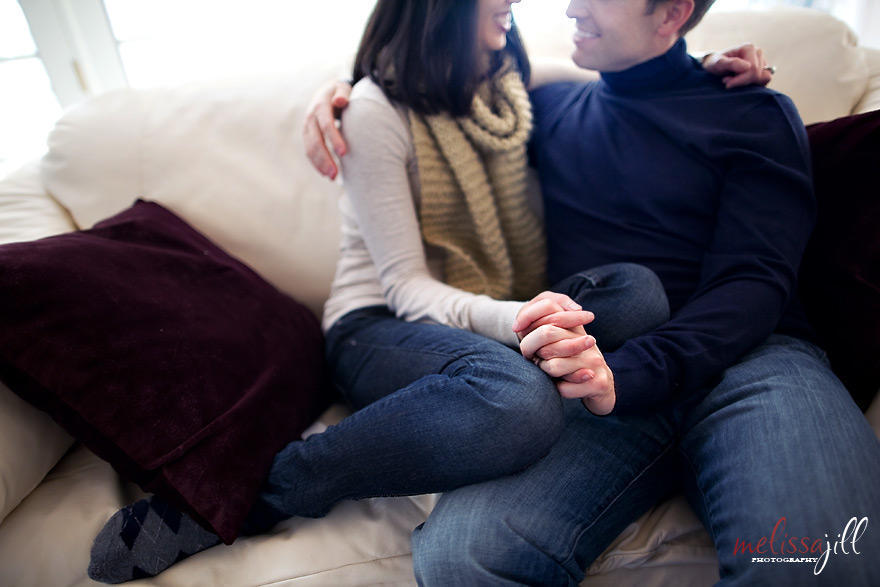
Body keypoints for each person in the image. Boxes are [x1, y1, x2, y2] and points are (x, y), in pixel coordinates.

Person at [86, 0, 709, 582]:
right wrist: (521, 318)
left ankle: (482, 397)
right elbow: (408, 290)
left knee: (637, 293)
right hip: (378, 325)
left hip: (491, 314)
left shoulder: (506, 83)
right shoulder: (374, 112)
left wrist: (705, 68)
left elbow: (618, 78)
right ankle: (259, 493)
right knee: (518, 401)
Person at [304, 0, 880, 585]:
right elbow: (433, 89)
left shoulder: (753, 112)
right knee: (466, 557)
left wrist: (628, 374)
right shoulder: (547, 108)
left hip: (751, 360)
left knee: (818, 560)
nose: (571, 5)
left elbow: (754, 282)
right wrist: (344, 93)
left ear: (673, 12)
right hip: (597, 369)